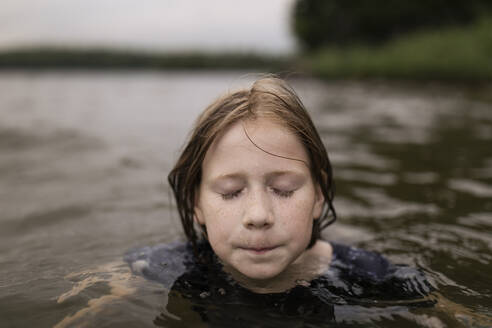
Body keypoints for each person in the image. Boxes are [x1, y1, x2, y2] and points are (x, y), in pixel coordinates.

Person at [125, 76, 433, 325]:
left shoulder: (369, 275)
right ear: (196, 204)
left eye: (284, 189)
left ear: (318, 195)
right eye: (232, 192)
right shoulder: (165, 266)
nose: (258, 215)